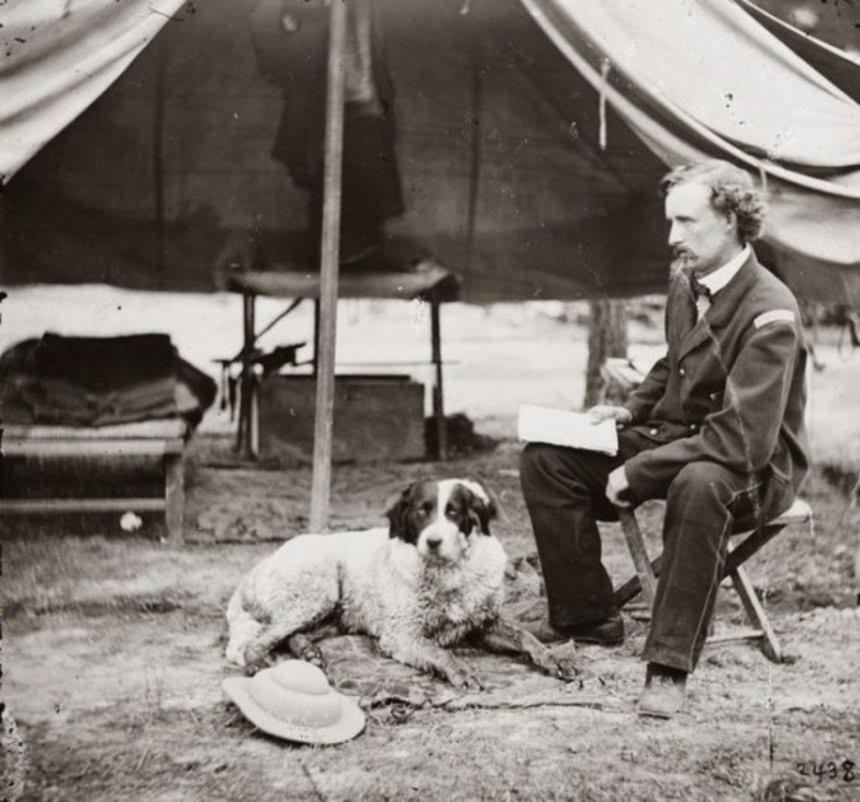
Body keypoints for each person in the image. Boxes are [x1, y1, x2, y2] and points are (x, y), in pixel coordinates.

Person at [519, 159, 809, 719]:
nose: (673, 236)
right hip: (685, 442)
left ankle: (668, 666)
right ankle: (587, 617)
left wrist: (640, 470)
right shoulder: (688, 280)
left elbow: (741, 442)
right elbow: (673, 363)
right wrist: (630, 410)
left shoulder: (771, 311)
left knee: (699, 484)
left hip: (754, 470)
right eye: (670, 221)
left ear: (730, 221)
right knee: (548, 459)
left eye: (686, 222)